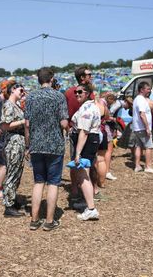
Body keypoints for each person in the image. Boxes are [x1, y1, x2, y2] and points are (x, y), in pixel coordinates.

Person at [25, 67, 69, 231]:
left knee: (38, 182)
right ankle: (49, 220)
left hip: (36, 144)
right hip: (55, 145)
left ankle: (34, 219)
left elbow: (27, 124)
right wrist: (67, 130)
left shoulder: (31, 97)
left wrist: (27, 145)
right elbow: (64, 123)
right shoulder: (59, 96)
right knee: (53, 183)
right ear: (52, 79)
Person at [70, 84, 101, 221]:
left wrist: (77, 153)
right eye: (75, 92)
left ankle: (91, 208)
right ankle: (87, 202)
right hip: (90, 141)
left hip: (86, 142)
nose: (77, 94)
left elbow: (84, 131)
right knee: (85, 173)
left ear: (88, 93)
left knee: (82, 174)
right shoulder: (89, 106)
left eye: (80, 92)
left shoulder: (87, 108)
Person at [65, 66, 94, 203]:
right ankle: (87, 192)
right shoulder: (87, 93)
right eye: (89, 74)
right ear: (82, 77)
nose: (91, 76)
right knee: (84, 162)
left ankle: (76, 189)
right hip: (83, 130)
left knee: (75, 161)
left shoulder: (69, 92)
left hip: (74, 129)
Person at [0, 82, 27, 217]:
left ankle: (12, 199)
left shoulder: (15, 105)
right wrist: (23, 122)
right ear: (13, 90)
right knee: (12, 173)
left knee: (16, 172)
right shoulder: (9, 105)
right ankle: (8, 205)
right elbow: (5, 125)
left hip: (18, 141)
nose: (23, 92)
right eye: (21, 90)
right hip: (13, 142)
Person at [131, 82, 153, 173]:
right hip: (142, 127)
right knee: (149, 147)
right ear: (142, 89)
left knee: (138, 146)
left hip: (137, 127)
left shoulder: (137, 99)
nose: (149, 91)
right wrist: (147, 128)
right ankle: (148, 166)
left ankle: (137, 165)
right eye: (147, 89)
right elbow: (142, 114)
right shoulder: (141, 100)